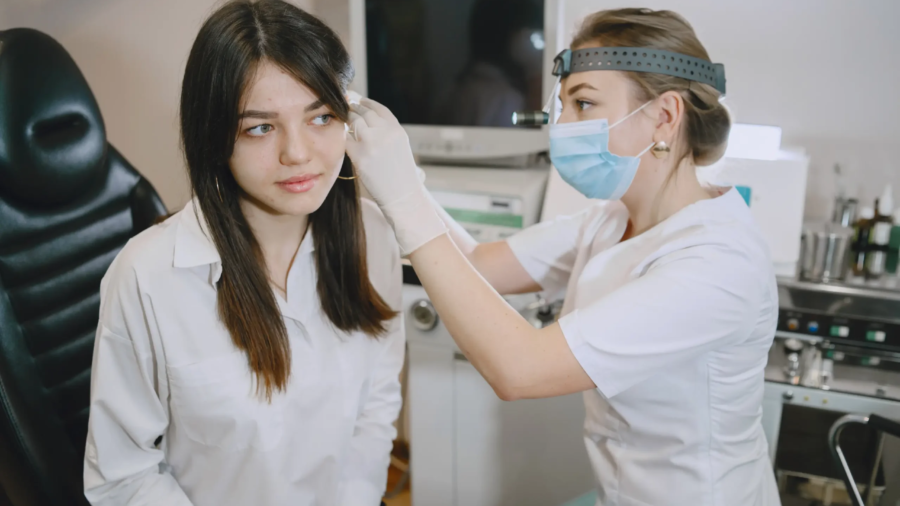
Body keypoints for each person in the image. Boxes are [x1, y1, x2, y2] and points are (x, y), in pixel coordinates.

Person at [346, 8, 781, 506]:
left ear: (664, 116)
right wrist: (403, 178)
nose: (563, 125)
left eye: (584, 104)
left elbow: (520, 370)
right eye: (565, 104)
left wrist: (403, 202)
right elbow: (481, 262)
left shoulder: (717, 263)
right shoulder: (614, 218)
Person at [83, 1, 404, 505]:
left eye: (321, 116)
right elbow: (122, 478)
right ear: (215, 137)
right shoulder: (146, 277)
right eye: (260, 127)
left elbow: (377, 403)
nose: (297, 153)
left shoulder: (375, 235)